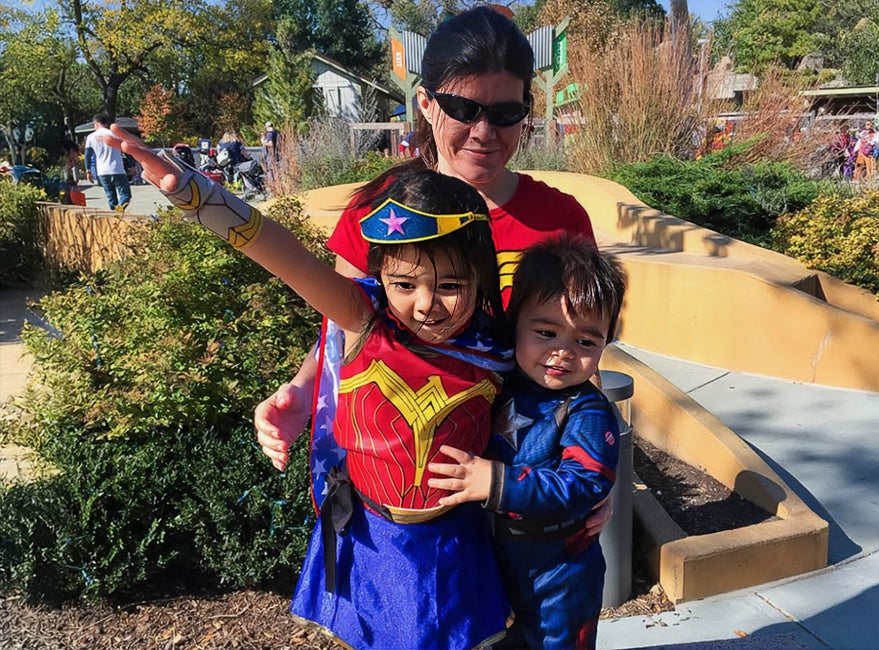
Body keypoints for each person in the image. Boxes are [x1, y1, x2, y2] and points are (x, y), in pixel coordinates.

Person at [101, 124, 515, 649]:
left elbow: (554, 405)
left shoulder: (499, 351)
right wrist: (192, 193)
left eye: (451, 285)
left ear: (481, 278)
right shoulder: (365, 320)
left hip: (458, 540)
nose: (426, 303)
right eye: (404, 284)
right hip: (373, 539)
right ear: (380, 275)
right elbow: (284, 254)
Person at [255, 7, 598, 506]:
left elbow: (584, 345)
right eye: (463, 109)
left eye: (506, 114)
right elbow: (346, 326)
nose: (485, 131)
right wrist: (304, 392)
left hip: (524, 483)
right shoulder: (379, 210)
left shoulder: (560, 220)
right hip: (406, 488)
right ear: (427, 103)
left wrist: (591, 466)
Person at [428, 237, 626, 649]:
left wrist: (496, 482)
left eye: (586, 342)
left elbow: (585, 483)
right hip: (494, 556)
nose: (563, 352)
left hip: (561, 569)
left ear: (607, 342)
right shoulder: (497, 380)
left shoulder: (586, 410)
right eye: (546, 331)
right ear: (514, 323)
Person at [84, 113, 132, 211]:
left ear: (96, 123)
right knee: (126, 195)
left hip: (102, 171)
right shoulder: (114, 134)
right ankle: (118, 212)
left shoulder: (90, 137)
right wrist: (132, 165)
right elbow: (125, 150)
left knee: (111, 197)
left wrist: (88, 170)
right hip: (117, 169)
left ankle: (114, 214)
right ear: (105, 123)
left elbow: (87, 155)